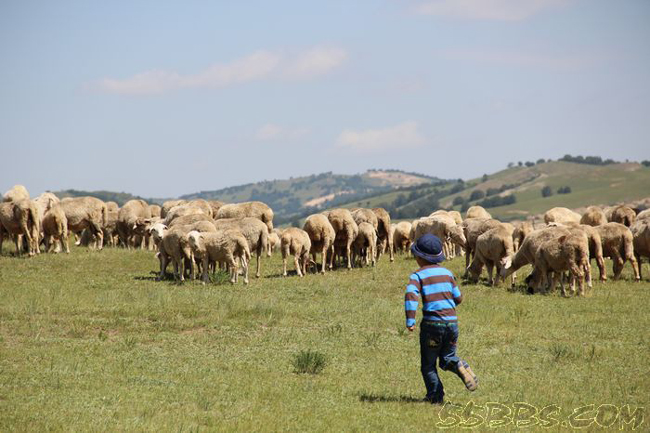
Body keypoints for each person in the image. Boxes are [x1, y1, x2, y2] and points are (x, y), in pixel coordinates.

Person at [404, 233, 478, 404]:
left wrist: (410, 321)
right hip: (452, 324)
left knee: (428, 364)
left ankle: (435, 397)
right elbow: (458, 298)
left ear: (418, 257)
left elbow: (411, 296)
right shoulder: (447, 273)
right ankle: (459, 365)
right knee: (447, 358)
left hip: (432, 326)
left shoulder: (417, 276)